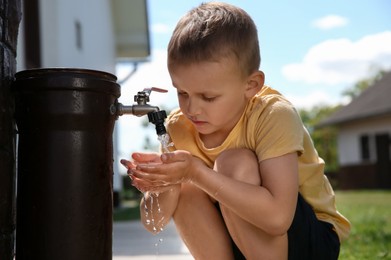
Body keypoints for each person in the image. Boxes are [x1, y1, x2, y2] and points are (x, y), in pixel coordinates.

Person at [121, 2, 350, 259]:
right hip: (240, 237)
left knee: (233, 161)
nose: (192, 108)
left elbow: (278, 219)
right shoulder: (179, 127)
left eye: (208, 97)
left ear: (251, 85)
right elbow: (154, 222)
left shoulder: (273, 114)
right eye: (182, 92)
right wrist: (165, 181)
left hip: (309, 239)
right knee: (186, 186)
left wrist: (195, 171)